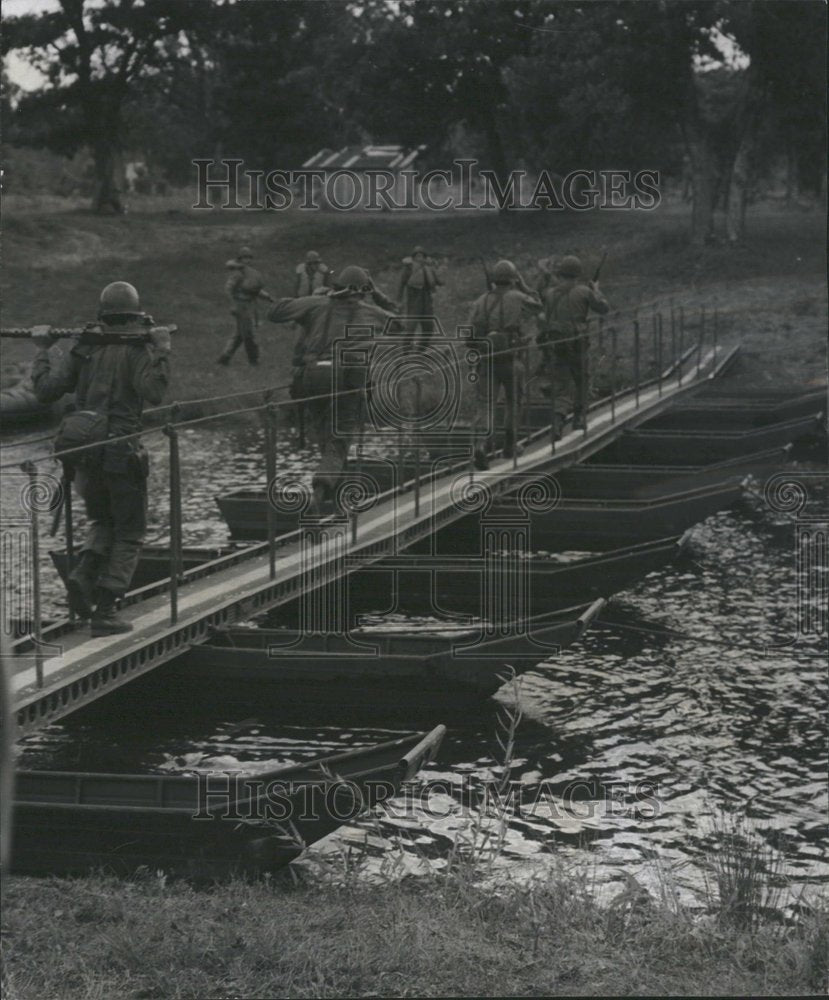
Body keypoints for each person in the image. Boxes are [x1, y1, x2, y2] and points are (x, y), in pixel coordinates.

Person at [30, 282, 171, 635]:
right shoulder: (138, 348)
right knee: (130, 531)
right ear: (136, 315)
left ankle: (82, 575)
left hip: (84, 452)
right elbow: (153, 393)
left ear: (103, 314)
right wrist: (163, 351)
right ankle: (106, 610)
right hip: (122, 450)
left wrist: (45, 350)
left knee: (102, 520)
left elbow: (46, 391)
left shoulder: (84, 347)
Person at [266, 266, 395, 512]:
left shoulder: (317, 304)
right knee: (339, 439)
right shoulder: (372, 312)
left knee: (325, 438)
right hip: (348, 380)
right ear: (364, 291)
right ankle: (320, 493)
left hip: (312, 376)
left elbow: (275, 312)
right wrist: (377, 297)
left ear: (337, 287)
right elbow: (401, 325)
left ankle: (331, 501)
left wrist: (311, 302)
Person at [468, 259, 542, 469]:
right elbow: (539, 307)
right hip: (510, 357)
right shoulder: (518, 297)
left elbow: (471, 330)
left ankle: (480, 446)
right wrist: (525, 286)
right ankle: (510, 445)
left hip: (486, 358)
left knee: (485, 404)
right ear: (512, 279)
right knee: (513, 401)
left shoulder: (480, 301)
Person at [538, 255, 610, 436]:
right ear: (577, 274)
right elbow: (603, 308)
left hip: (556, 344)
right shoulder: (584, 292)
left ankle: (557, 422)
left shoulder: (550, 293)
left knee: (561, 384)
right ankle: (579, 418)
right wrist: (597, 290)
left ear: (561, 273)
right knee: (581, 381)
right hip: (577, 344)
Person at [217, 247, 273, 366]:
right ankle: (254, 360)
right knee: (248, 334)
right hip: (240, 305)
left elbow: (255, 290)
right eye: (244, 258)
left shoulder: (251, 273)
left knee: (240, 334)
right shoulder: (237, 273)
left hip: (249, 304)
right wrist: (233, 305)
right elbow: (228, 289)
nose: (247, 260)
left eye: (248, 258)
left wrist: (268, 297)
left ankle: (225, 357)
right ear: (240, 259)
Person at [396, 246, 442, 349]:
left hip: (426, 301)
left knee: (428, 327)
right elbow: (401, 284)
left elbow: (440, 282)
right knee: (411, 328)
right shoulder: (409, 268)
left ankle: (421, 349)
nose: (419, 258)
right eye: (417, 256)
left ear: (425, 257)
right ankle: (406, 350)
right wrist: (398, 300)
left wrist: (437, 269)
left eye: (421, 256)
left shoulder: (429, 269)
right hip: (414, 301)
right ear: (413, 257)